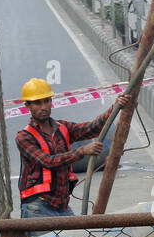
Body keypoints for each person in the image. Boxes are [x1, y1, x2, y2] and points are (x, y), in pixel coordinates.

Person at [15, 78, 132, 221]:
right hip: (38, 207)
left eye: (46, 101)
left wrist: (114, 107)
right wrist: (82, 151)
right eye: (37, 103)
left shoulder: (62, 128)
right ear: (28, 106)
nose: (43, 107)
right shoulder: (24, 137)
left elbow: (92, 128)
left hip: (61, 206)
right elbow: (48, 161)